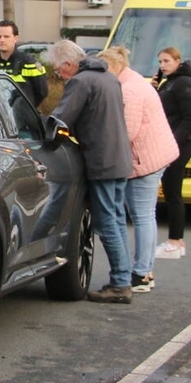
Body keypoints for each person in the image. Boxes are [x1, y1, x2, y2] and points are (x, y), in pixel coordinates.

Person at [48, 39, 133, 303]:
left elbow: (61, 119)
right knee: (117, 220)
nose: (59, 76)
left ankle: (120, 284)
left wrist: (43, 133)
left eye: (58, 70)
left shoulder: (81, 82)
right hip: (119, 158)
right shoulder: (108, 77)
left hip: (101, 160)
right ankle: (124, 277)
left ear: (68, 64)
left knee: (107, 222)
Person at [98, 46, 178, 294]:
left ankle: (142, 273)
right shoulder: (133, 80)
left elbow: (128, 132)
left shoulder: (129, 90)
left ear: (114, 67)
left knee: (142, 216)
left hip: (146, 158)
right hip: (154, 154)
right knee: (145, 215)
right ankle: (145, 269)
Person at [153, 47, 191, 260]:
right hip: (172, 143)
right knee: (172, 192)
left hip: (178, 145)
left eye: (167, 61)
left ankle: (175, 240)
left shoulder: (183, 83)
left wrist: (172, 141)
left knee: (173, 194)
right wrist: (154, 88)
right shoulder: (169, 82)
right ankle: (177, 241)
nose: (163, 65)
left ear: (178, 61)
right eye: (160, 61)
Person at [0, 20, 49, 109]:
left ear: (15, 38)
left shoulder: (29, 63)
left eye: (6, 36)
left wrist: (26, 110)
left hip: (21, 119)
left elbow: (42, 92)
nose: (2, 40)